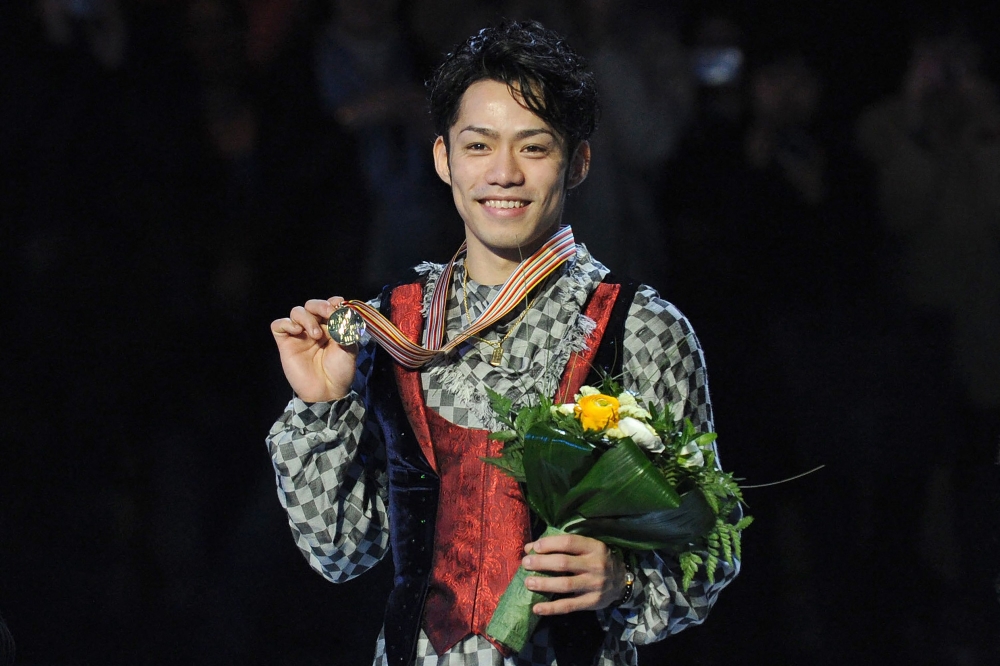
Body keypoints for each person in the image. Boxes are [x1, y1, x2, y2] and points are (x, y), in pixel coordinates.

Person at [266, 20, 739, 666]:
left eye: (535, 148)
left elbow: (709, 544)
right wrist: (322, 405)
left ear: (578, 162)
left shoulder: (642, 329)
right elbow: (340, 553)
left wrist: (624, 579)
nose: (504, 174)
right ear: (444, 159)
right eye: (480, 145)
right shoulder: (394, 325)